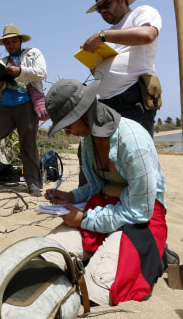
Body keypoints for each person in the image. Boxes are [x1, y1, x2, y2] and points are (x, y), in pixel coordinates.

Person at [41, 79, 168, 306]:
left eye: (69, 126)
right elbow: (96, 186)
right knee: (44, 258)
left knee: (95, 291)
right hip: (103, 208)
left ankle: (154, 256)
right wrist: (73, 197)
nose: (69, 133)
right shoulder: (88, 140)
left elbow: (139, 211)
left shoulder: (133, 142)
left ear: (85, 114)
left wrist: (84, 220)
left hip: (139, 219)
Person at [81, 0, 162, 137]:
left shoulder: (141, 13)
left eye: (106, 5)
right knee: (108, 159)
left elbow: (147, 35)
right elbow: (101, 73)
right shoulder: (109, 33)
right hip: (106, 104)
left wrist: (102, 36)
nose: (103, 11)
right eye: (99, 9)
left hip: (133, 99)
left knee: (137, 157)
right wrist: (92, 61)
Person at [0, 24, 46, 195]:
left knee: (28, 145)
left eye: (13, 41)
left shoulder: (33, 53)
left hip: (27, 106)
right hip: (4, 109)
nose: (10, 45)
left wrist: (20, 70)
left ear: (20, 41)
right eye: (7, 42)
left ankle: (34, 184)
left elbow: (41, 72)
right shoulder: (2, 62)